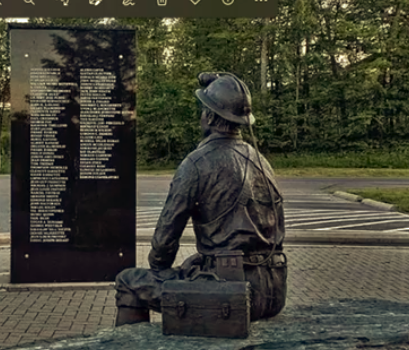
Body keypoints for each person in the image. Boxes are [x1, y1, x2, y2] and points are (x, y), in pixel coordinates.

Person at [114, 72, 287, 326]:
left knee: (129, 282)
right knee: (192, 265)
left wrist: (160, 267)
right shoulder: (262, 161)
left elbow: (163, 244)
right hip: (274, 291)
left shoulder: (196, 164)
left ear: (208, 115)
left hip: (229, 294)